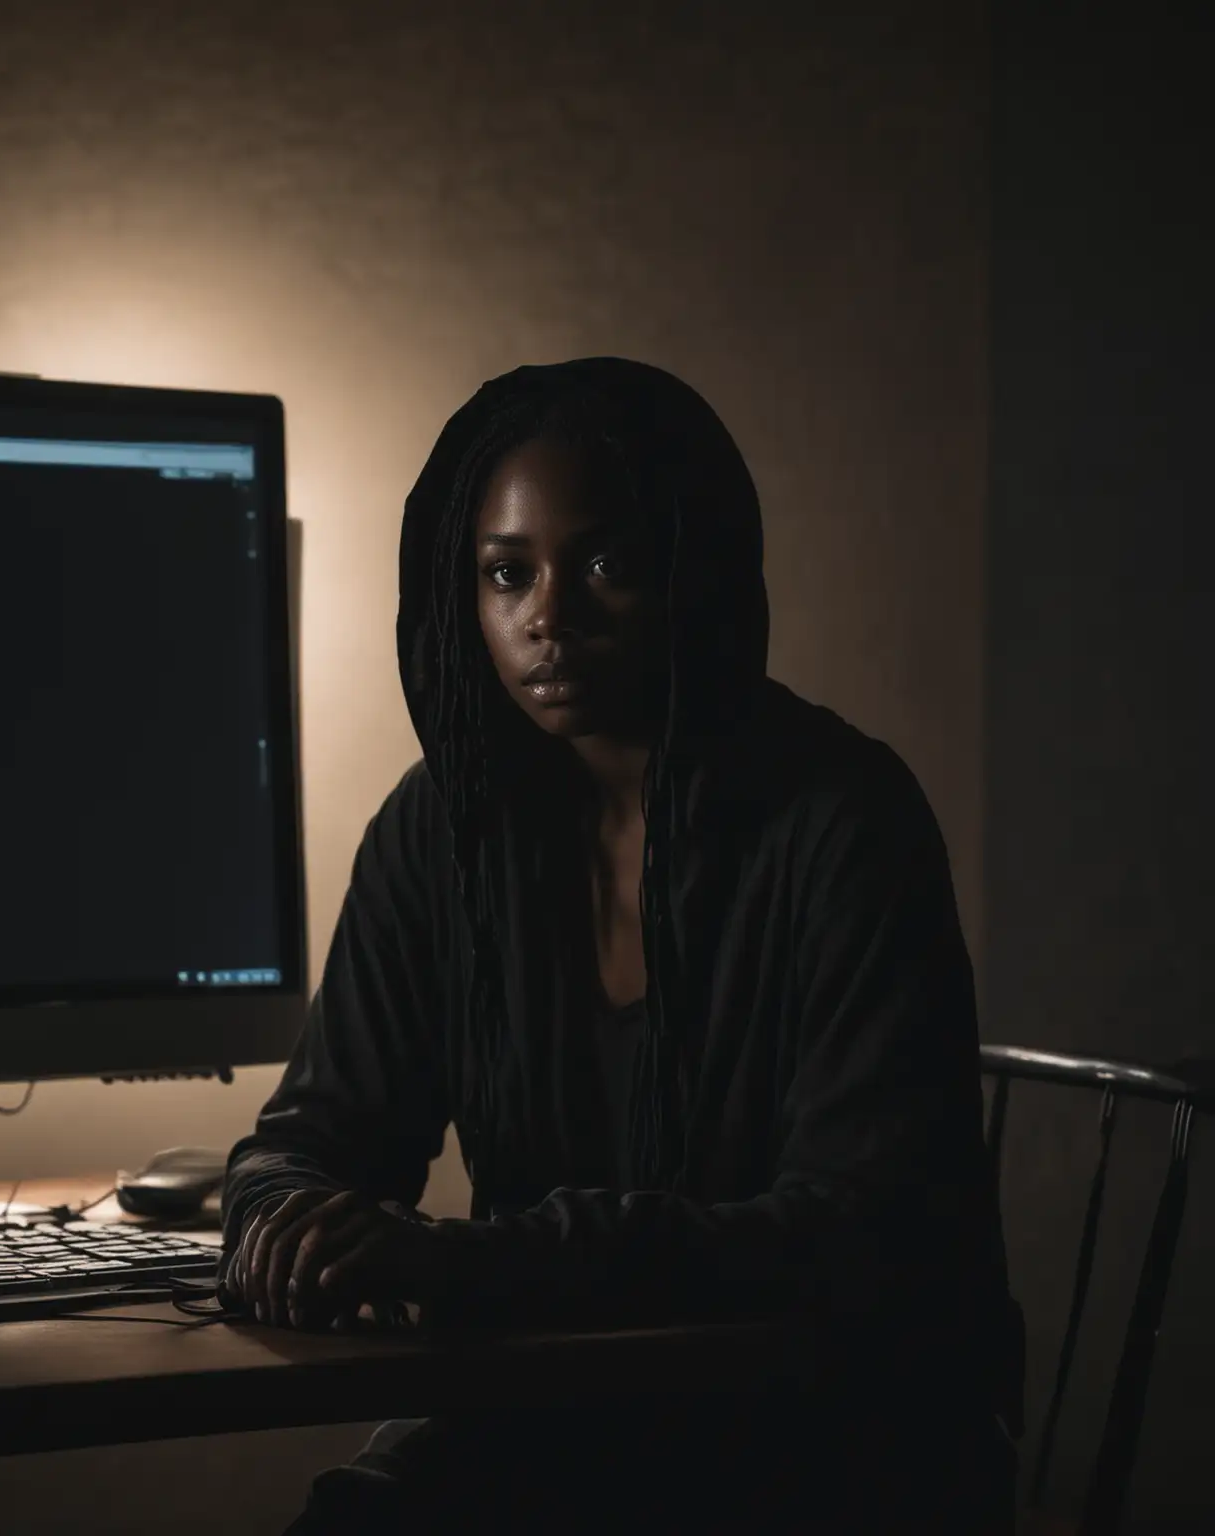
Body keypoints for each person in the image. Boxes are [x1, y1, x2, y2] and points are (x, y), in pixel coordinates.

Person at [220, 358, 1023, 1534]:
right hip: (550, 1417)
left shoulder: (846, 820)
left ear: (690, 571)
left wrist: (466, 1264)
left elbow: (858, 1234)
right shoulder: (442, 827)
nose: (549, 615)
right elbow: (316, 1135)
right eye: (506, 573)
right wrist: (285, 1215)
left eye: (606, 564)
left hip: (838, 1437)